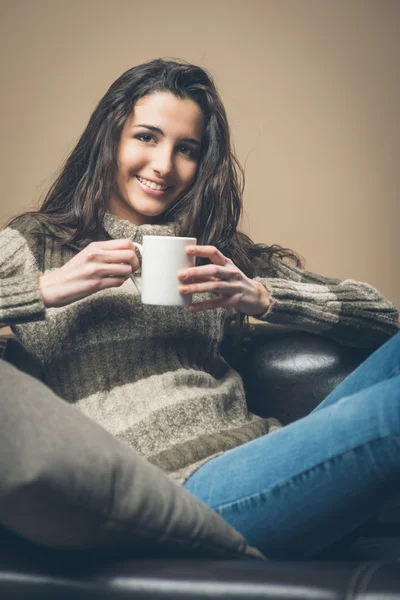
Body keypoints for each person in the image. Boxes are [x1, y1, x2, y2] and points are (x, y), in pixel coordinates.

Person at [0, 58, 399, 560]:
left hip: (269, 466)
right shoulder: (38, 243)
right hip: (181, 495)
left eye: (185, 149)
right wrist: (44, 288)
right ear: (109, 138)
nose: (164, 166)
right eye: (146, 137)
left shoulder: (215, 252)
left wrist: (262, 296)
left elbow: (385, 316)